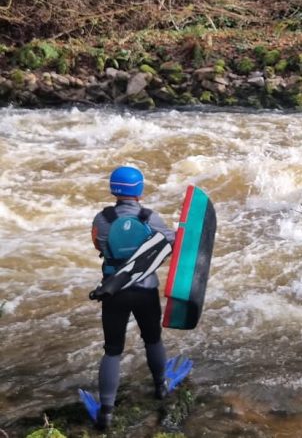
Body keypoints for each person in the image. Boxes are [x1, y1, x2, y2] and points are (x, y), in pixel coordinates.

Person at [88, 165, 176, 430]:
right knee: (152, 339)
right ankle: (160, 387)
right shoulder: (152, 218)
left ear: (113, 189)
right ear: (139, 189)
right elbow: (171, 245)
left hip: (114, 291)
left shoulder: (101, 219)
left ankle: (106, 412)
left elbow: (98, 245)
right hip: (146, 290)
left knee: (112, 350)